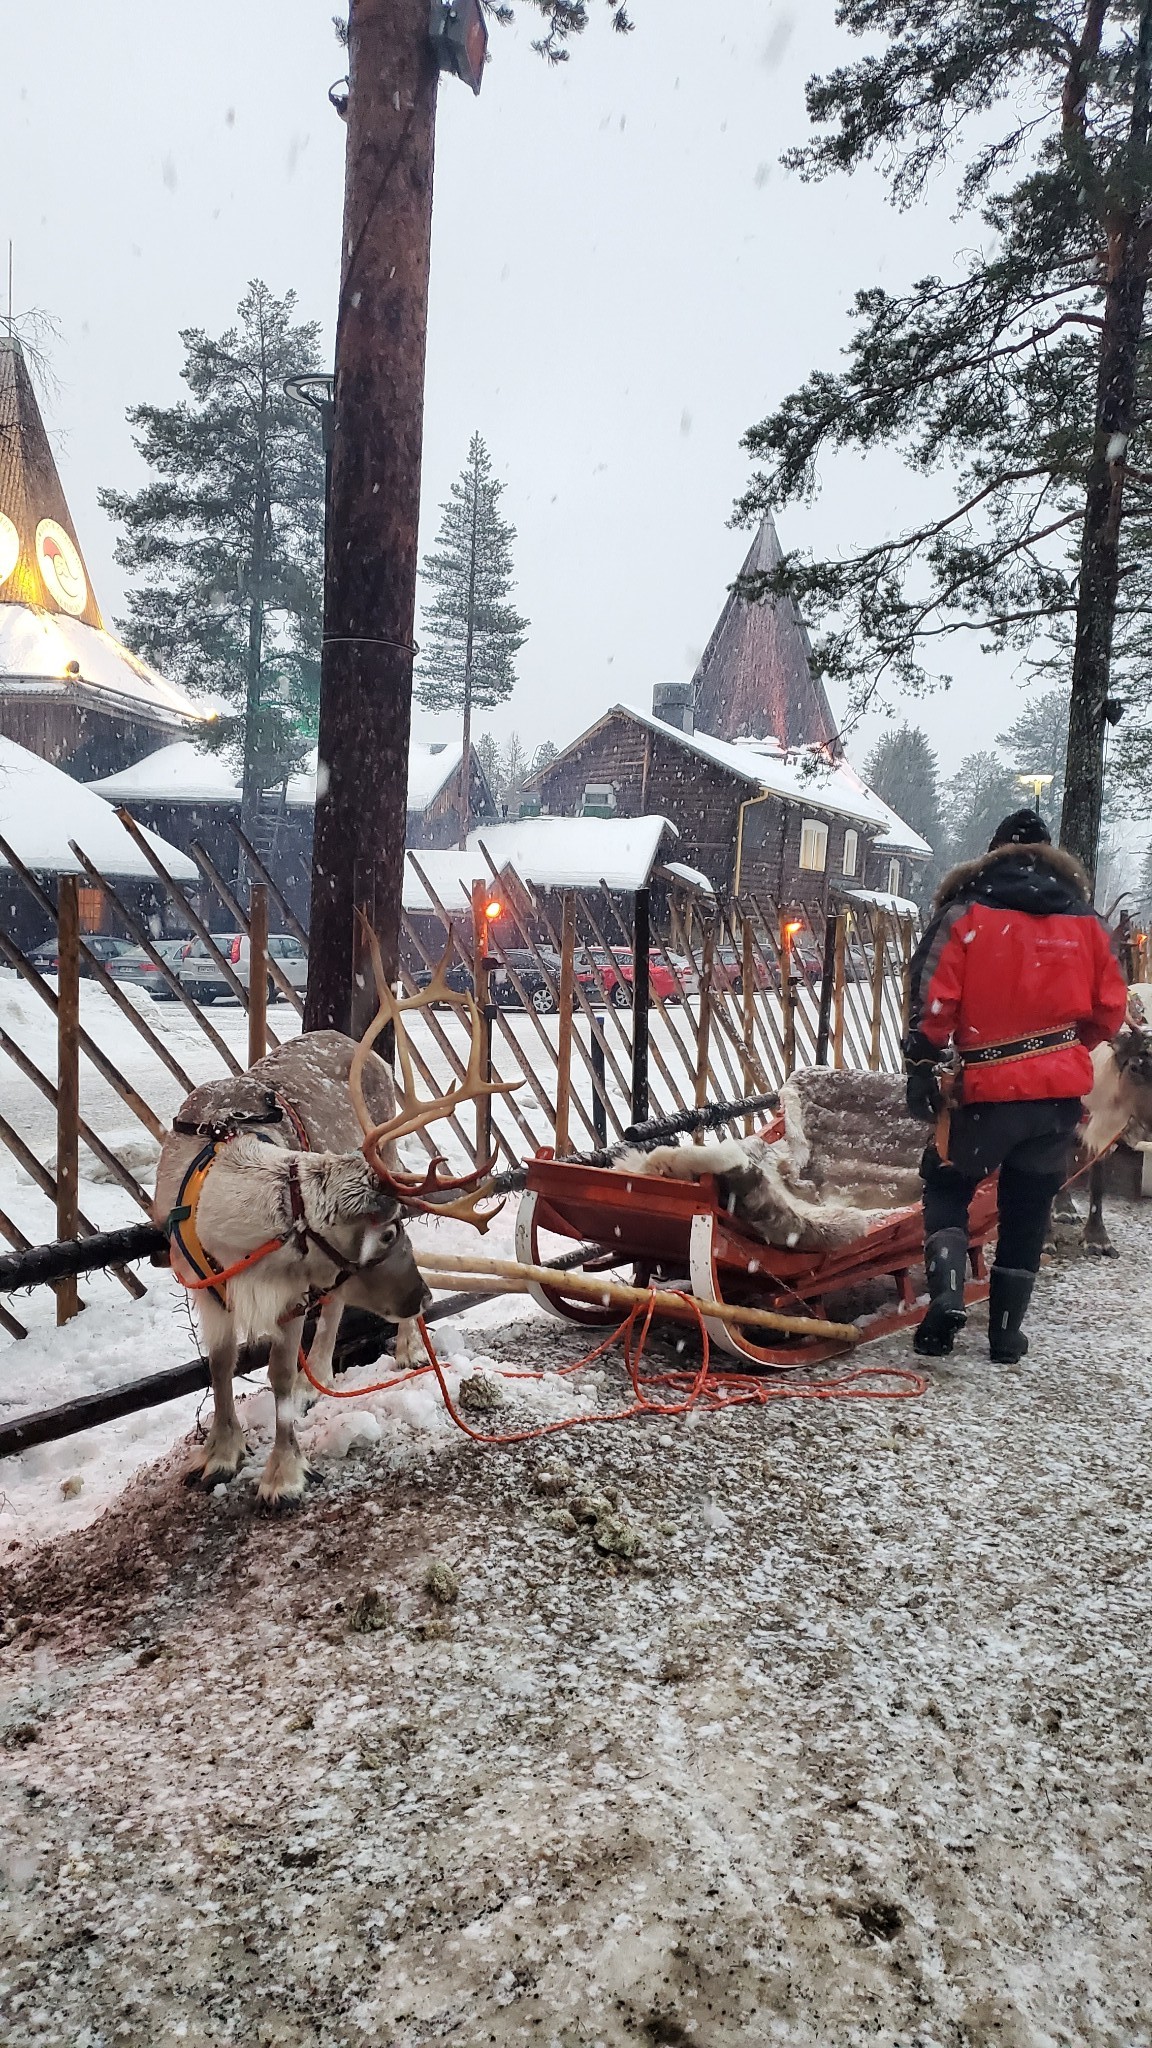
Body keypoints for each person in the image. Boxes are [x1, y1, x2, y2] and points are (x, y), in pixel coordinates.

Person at [904, 808, 1128, 1362]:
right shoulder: (1087, 923)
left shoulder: (965, 912)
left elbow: (932, 999)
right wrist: (1061, 1042)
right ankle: (1005, 1334)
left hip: (985, 1091)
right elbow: (1109, 1013)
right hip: (1054, 1099)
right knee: (1029, 1204)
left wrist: (922, 1063)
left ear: (993, 850)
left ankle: (949, 1297)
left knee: (947, 1182)